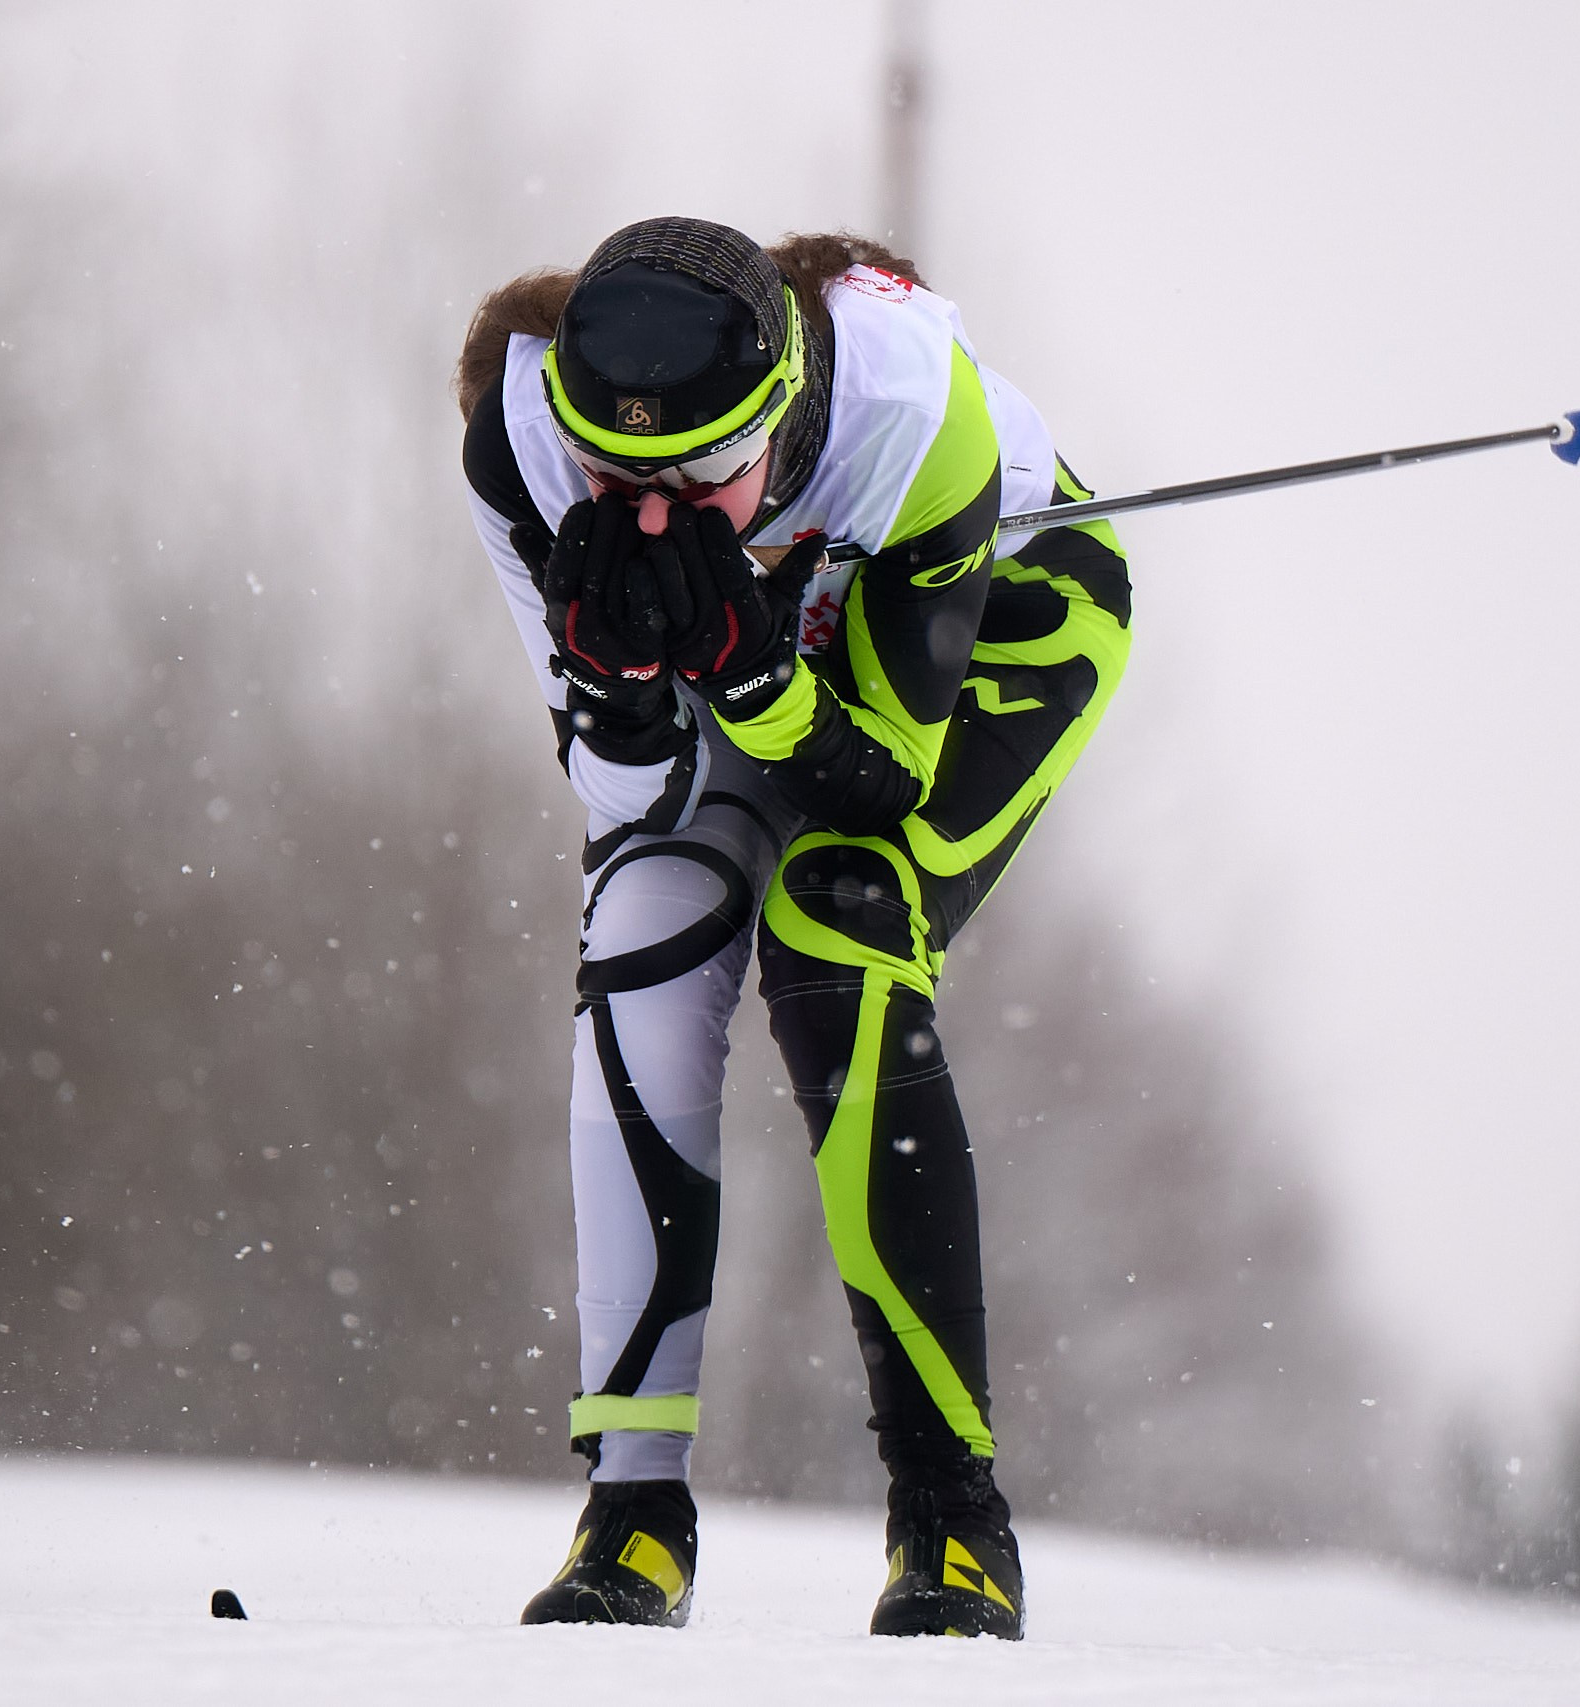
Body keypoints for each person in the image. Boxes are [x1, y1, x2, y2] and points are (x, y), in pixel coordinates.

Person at [455, 217, 1129, 1639]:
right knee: (645, 925)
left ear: (781, 415)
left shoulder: (906, 414)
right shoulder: (517, 433)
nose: (649, 512)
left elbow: (881, 785)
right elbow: (620, 791)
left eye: (701, 477)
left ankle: (953, 1521)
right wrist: (623, 672)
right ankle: (632, 1514)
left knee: (841, 930)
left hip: (1000, 621)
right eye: (613, 475)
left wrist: (749, 659)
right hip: (767, 643)